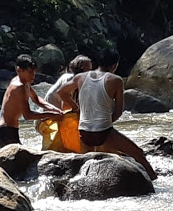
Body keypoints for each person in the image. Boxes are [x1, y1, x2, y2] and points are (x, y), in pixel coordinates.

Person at [57, 49, 158, 180]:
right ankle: (155, 184)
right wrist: (106, 124)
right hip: (104, 132)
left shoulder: (80, 77)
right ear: (114, 65)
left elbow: (61, 92)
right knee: (138, 154)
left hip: (83, 132)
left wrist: (76, 108)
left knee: (87, 166)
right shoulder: (116, 80)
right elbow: (118, 112)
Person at [0, 54, 63, 149]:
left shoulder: (25, 83)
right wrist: (50, 115)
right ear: (19, 70)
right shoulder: (19, 87)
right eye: (30, 72)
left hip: (10, 129)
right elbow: (28, 115)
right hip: (5, 130)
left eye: (34, 72)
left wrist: (53, 108)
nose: (33, 76)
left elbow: (36, 98)